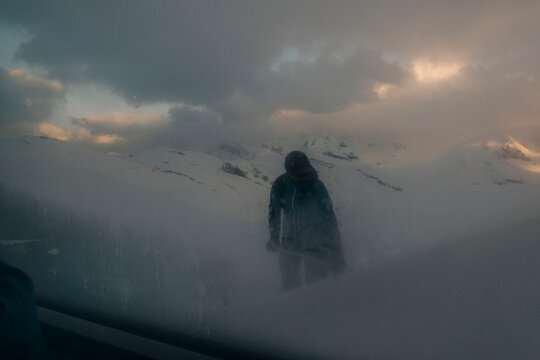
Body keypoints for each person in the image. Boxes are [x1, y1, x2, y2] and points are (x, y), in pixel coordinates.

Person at [267, 151, 347, 290]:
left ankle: (318, 307)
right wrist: (274, 238)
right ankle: (291, 307)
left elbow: (330, 222)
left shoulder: (317, 187)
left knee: (317, 284)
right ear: (289, 173)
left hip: (316, 239)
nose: (305, 177)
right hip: (290, 239)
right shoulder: (280, 185)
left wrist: (337, 258)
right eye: (299, 174)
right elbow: (274, 212)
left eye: (307, 172)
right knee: (289, 282)